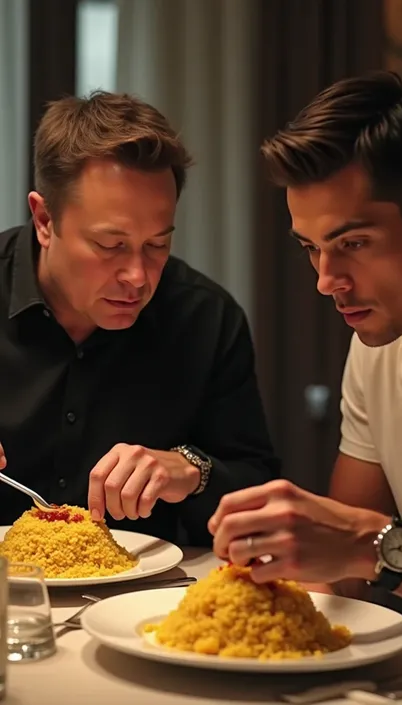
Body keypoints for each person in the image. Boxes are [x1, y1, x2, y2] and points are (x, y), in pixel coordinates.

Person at [209, 71, 402, 641]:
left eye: (352, 244)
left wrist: (367, 542)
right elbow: (344, 574)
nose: (327, 281)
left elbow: (363, 547)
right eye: (312, 249)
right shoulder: (376, 353)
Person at [0, 91, 279, 545]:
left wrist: (192, 469)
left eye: (157, 245)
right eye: (111, 245)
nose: (137, 276)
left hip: (143, 603)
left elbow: (258, 490)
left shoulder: (205, 318)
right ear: (45, 219)